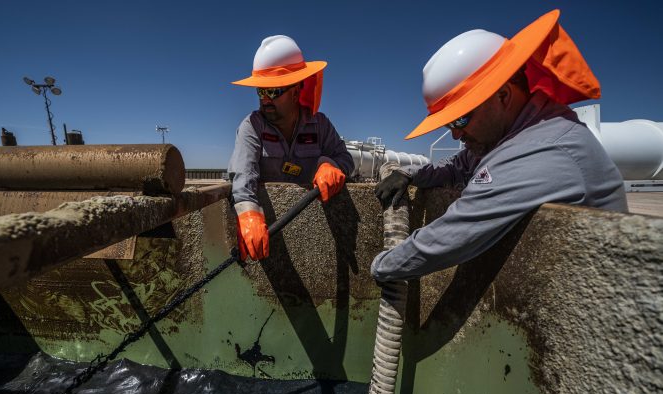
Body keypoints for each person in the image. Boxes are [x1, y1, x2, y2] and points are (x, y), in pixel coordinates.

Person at [372, 9, 628, 282]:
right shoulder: (512, 134)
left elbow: (453, 235)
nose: (456, 136)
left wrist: (379, 267)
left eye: (460, 119)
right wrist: (411, 174)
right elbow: (458, 164)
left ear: (503, 95)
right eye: (449, 125)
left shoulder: (543, 148)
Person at [228, 35, 355, 261]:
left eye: (274, 91)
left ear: (296, 91)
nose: (265, 99)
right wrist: (249, 214)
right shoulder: (252, 126)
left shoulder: (320, 125)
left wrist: (329, 164)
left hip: (314, 239)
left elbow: (345, 158)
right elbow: (243, 173)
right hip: (271, 234)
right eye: (261, 91)